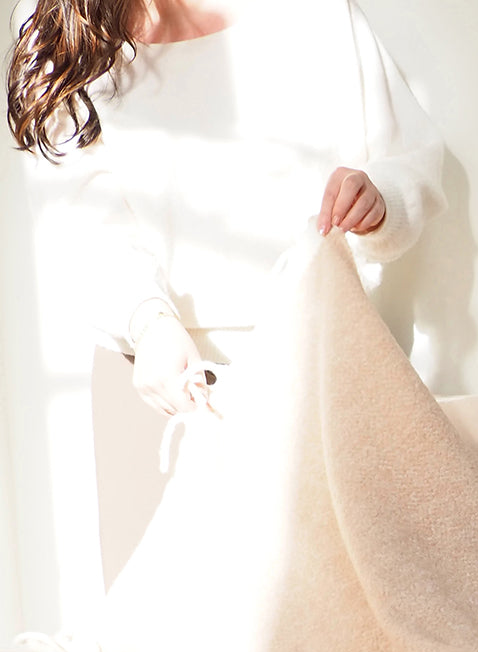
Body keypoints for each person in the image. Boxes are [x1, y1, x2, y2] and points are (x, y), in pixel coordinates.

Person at [6, 0, 446, 418]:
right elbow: (81, 227)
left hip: (328, 361)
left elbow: (408, 159)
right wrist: (147, 320)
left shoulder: (314, 12)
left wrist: (377, 203)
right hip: (161, 380)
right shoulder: (68, 35)